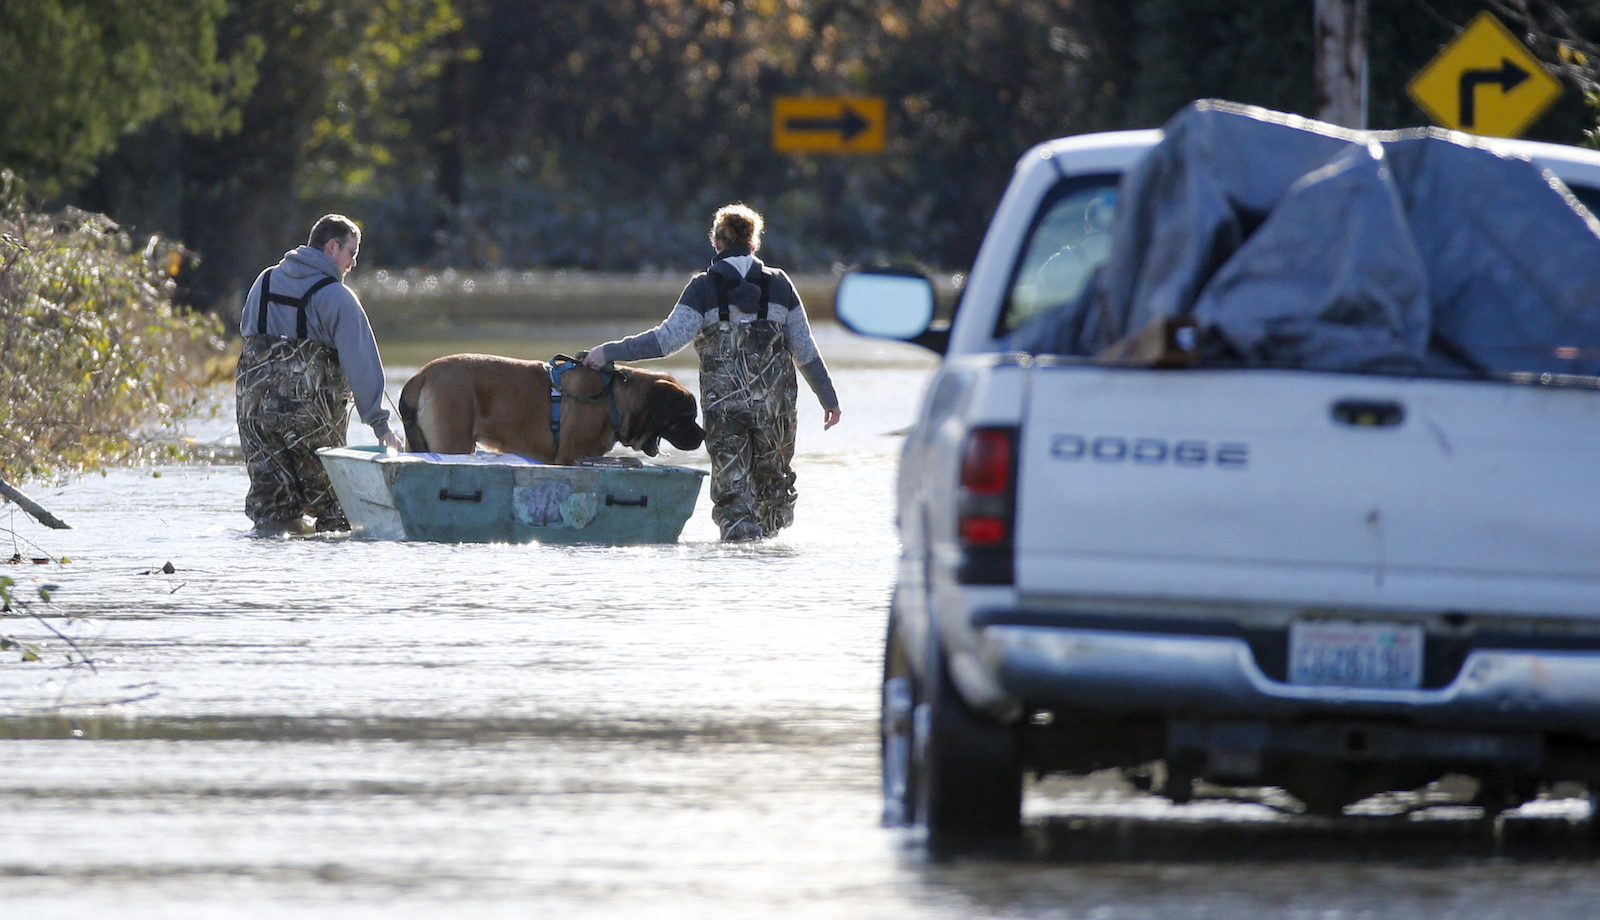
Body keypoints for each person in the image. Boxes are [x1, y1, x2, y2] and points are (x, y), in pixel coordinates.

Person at [583, 204, 841, 541]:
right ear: (753, 244)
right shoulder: (780, 284)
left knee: (733, 498)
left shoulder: (702, 288)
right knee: (773, 489)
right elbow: (804, 352)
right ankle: (769, 568)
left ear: (716, 243)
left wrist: (609, 352)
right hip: (774, 411)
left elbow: (665, 341)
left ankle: (734, 569)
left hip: (725, 410)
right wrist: (828, 398)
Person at [235, 214, 402, 534]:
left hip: (254, 412)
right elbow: (361, 364)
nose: (353, 263)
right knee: (336, 514)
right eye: (351, 253)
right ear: (332, 246)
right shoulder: (339, 299)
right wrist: (381, 426)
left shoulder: (265, 281)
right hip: (310, 421)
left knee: (272, 511)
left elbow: (248, 334)